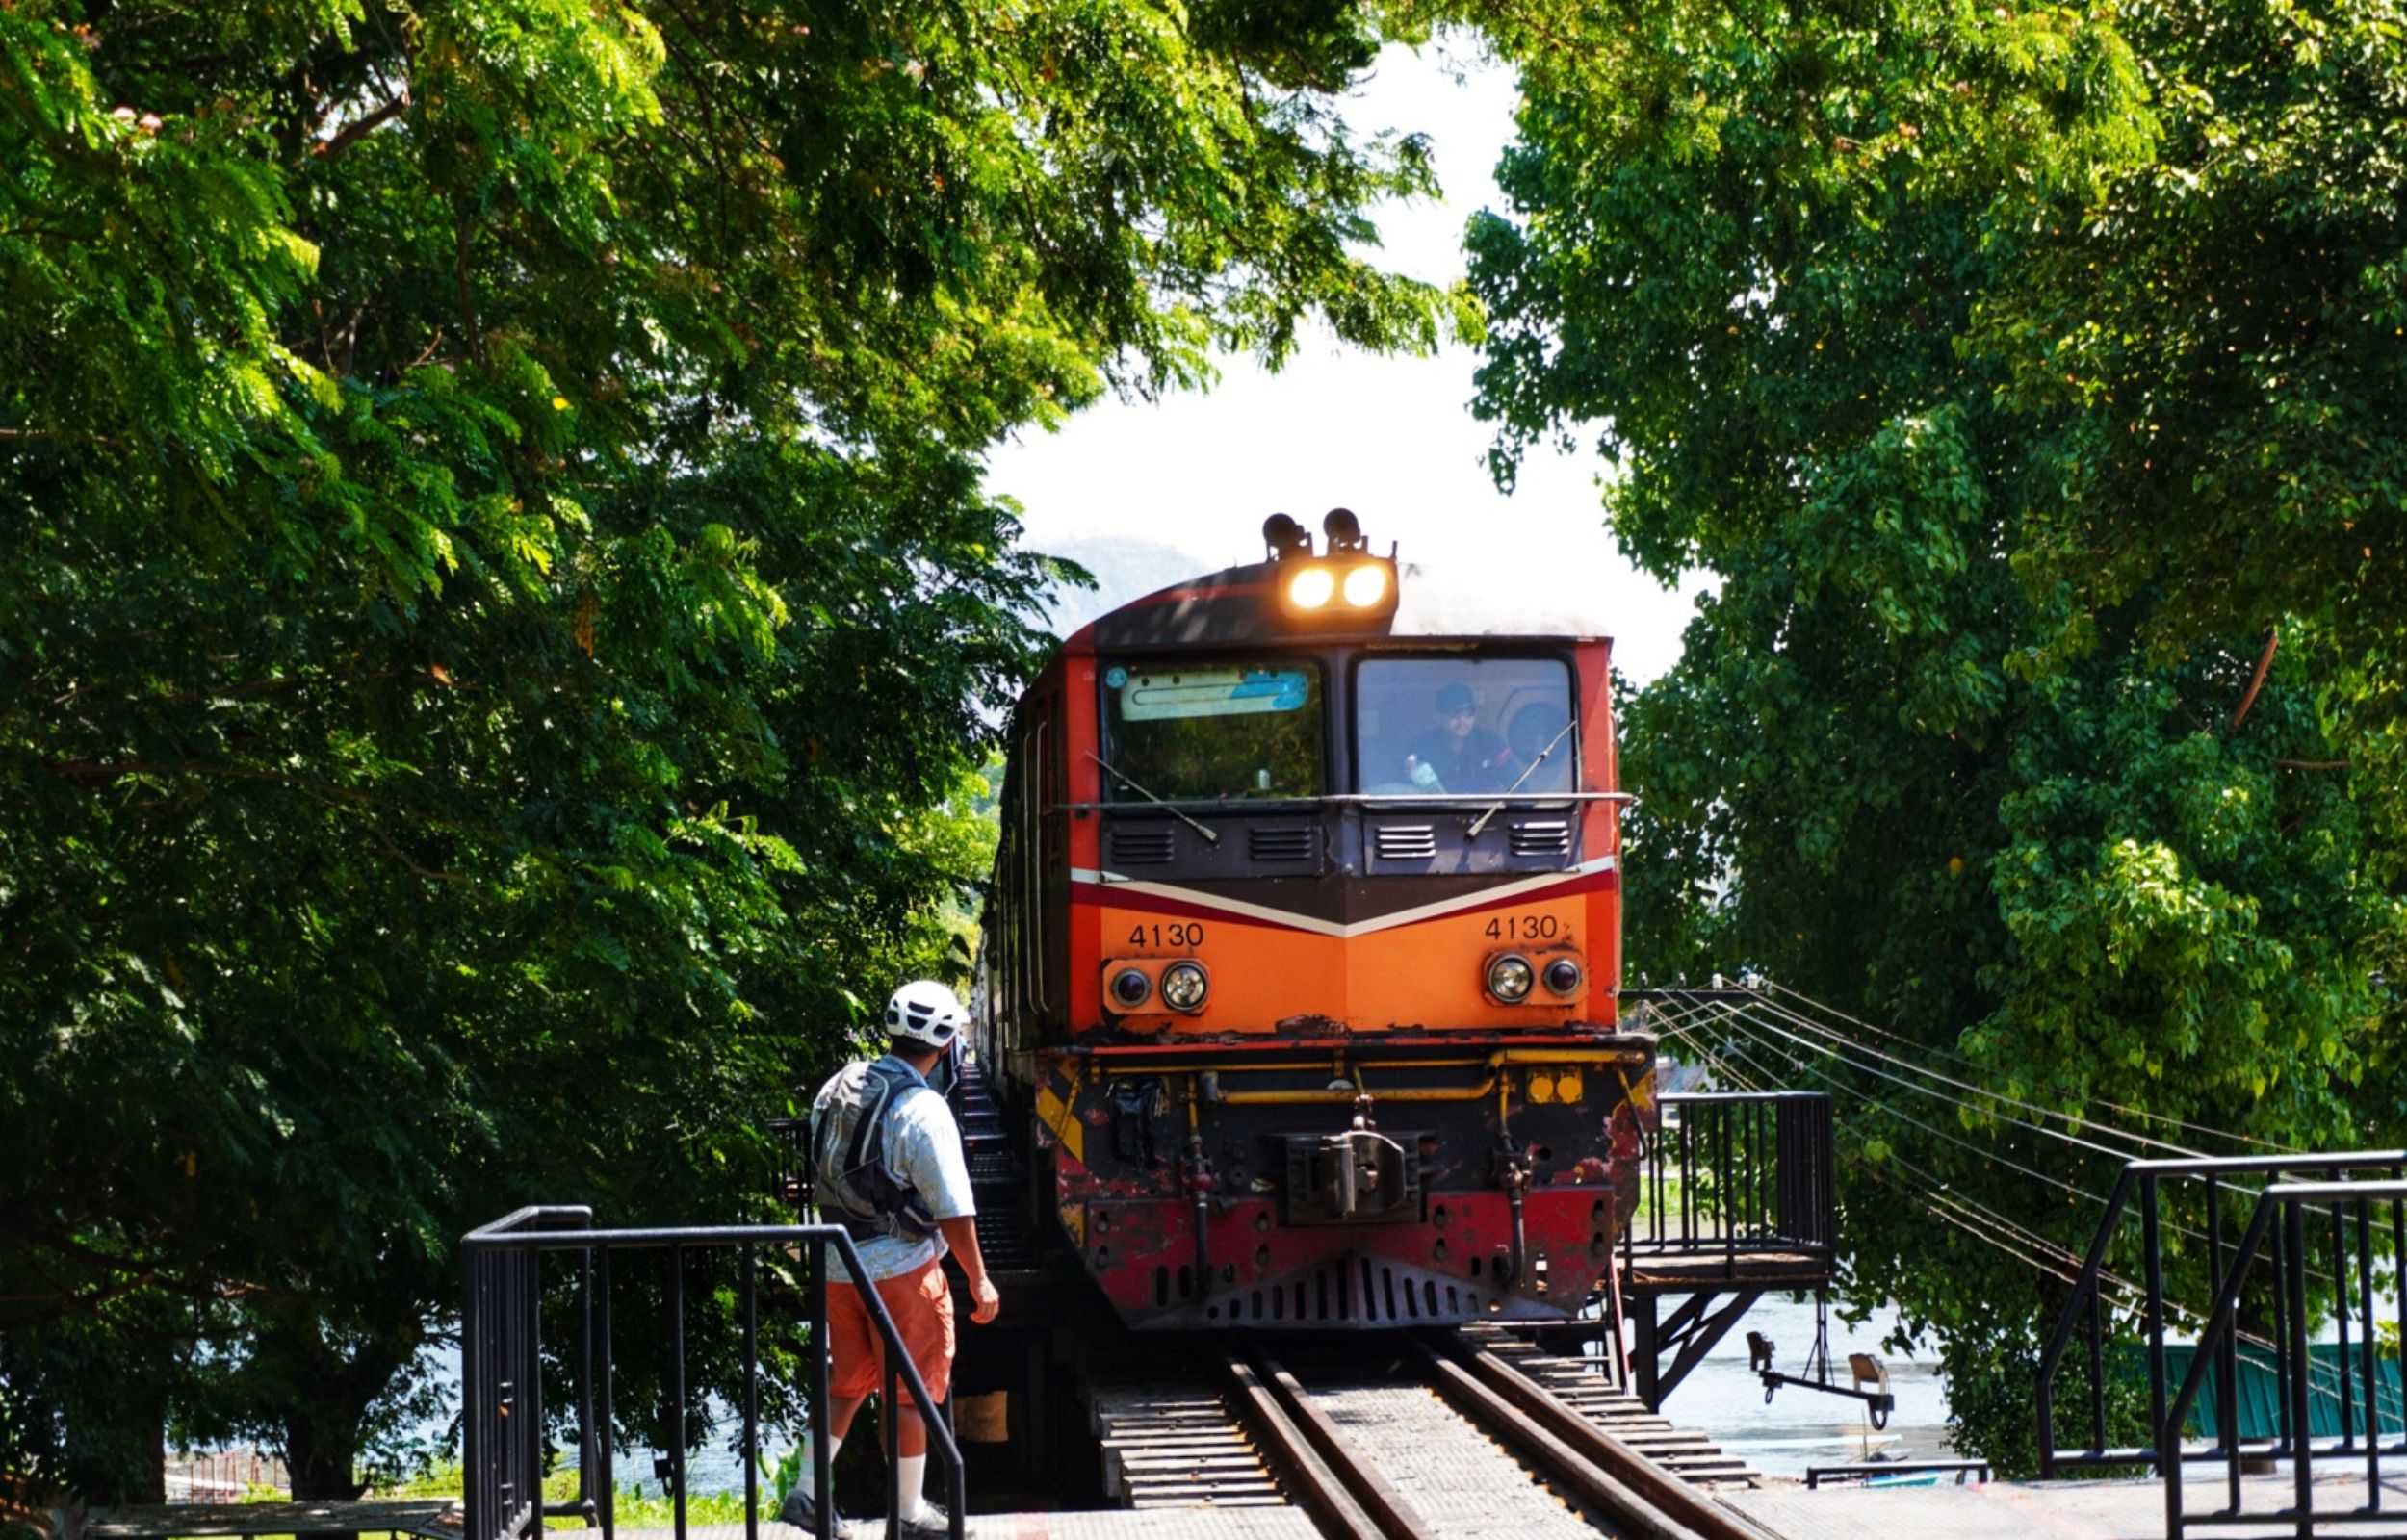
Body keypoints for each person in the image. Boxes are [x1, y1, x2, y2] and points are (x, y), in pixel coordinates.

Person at [785, 980, 1000, 1537]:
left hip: (837, 1263)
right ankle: (907, 1514)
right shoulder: (924, 1109)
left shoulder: (841, 1083)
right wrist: (979, 1280)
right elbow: (953, 1208)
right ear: (947, 1043)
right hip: (901, 1273)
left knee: (846, 1381)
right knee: (913, 1392)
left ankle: (807, 1494)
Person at [1403, 681, 1514, 793]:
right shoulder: (1422, 746)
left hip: (1487, 809)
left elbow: (1517, 787)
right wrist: (1409, 775)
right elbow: (1402, 791)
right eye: (1454, 713)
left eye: (1468, 712)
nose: (1462, 720)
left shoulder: (1492, 743)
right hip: (1438, 809)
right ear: (1438, 717)